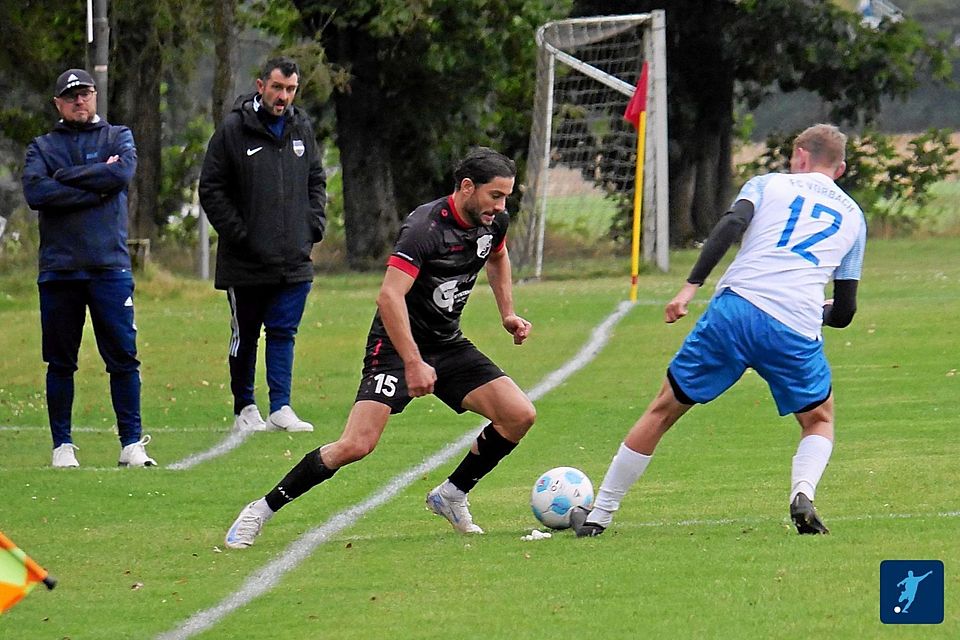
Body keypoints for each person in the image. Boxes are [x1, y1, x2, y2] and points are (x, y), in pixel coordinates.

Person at [224, 147, 535, 548]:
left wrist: (507, 313)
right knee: (356, 445)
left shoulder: (494, 222)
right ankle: (260, 510)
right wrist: (412, 362)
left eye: (507, 196)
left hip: (446, 342)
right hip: (394, 345)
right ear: (467, 187)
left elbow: (498, 255)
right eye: (496, 195)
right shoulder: (424, 228)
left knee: (519, 415)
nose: (501, 205)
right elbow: (389, 297)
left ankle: (452, 494)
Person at [570, 123, 866, 537]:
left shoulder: (769, 185)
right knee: (818, 419)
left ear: (800, 154)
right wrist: (813, 310)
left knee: (663, 409)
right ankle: (802, 492)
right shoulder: (854, 216)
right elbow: (846, 309)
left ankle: (599, 514)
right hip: (795, 325)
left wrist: (690, 287)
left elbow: (730, 225)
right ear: (840, 168)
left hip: (736, 310)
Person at [21, 68, 156, 468]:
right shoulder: (42, 147)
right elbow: (37, 192)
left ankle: (131, 442)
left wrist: (67, 180)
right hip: (60, 270)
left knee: (123, 357)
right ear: (59, 103)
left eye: (85, 93)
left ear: (95, 96)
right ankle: (62, 444)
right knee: (61, 360)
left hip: (110, 268)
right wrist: (94, 187)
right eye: (71, 96)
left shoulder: (118, 137)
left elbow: (120, 174)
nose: (80, 101)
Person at [199, 57, 327, 433]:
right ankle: (244, 406)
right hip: (247, 261)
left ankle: (281, 406)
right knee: (247, 334)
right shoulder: (234, 130)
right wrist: (240, 233)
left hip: (295, 257)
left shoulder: (301, 127)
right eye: (277, 88)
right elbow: (211, 188)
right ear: (260, 86)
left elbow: (316, 180)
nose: (283, 96)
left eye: (290, 89)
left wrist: (313, 225)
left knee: (284, 331)